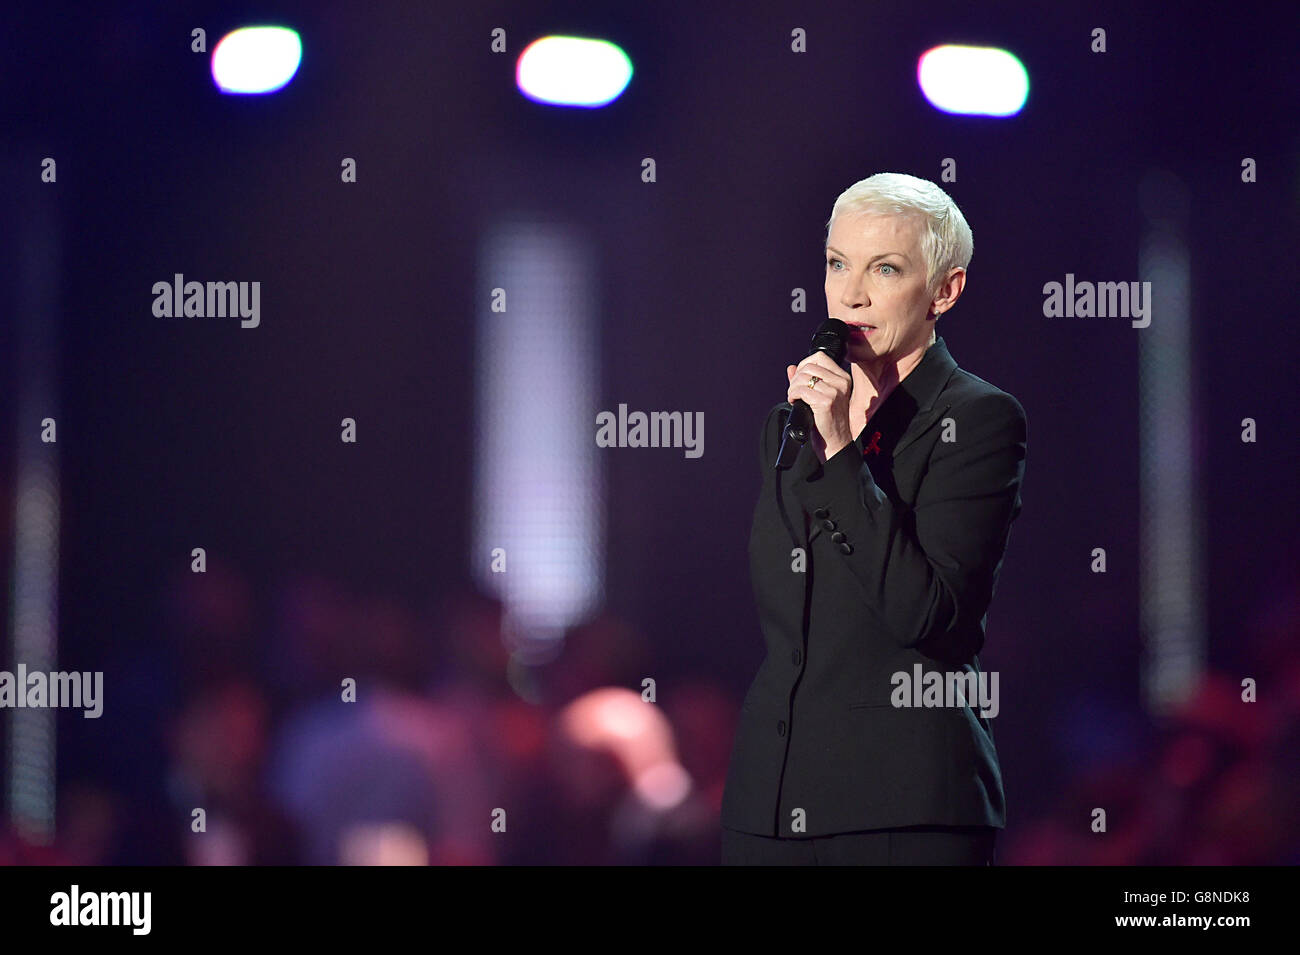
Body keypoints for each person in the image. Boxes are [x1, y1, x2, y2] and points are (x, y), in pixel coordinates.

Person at [720, 172, 1027, 865]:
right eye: (837, 263)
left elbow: (928, 614)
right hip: (770, 798)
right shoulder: (786, 424)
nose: (850, 293)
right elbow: (788, 610)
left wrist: (841, 451)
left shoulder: (977, 419)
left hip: (903, 803)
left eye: (884, 268)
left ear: (944, 291)